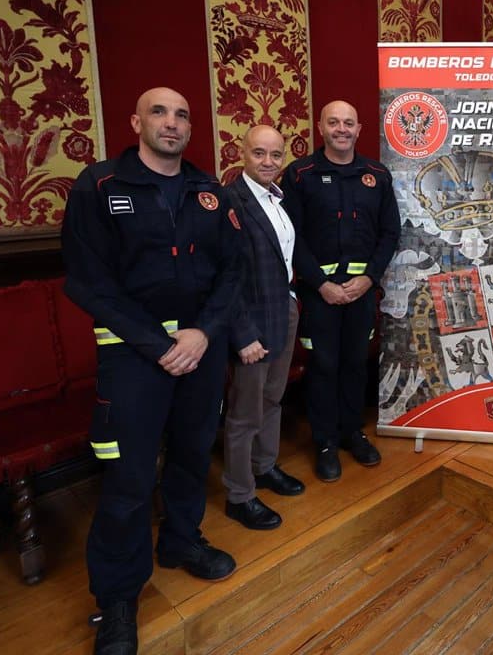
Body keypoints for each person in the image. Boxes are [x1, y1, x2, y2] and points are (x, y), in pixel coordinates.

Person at [62, 87, 241, 655]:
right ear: (135, 120)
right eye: (160, 112)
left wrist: (202, 332)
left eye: (182, 114)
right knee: (130, 479)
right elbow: (86, 281)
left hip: (200, 348)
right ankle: (117, 600)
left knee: (191, 455)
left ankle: (182, 542)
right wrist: (157, 342)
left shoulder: (208, 190)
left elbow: (232, 272)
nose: (172, 122)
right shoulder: (100, 186)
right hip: (134, 355)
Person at [283, 100, 400, 482]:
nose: (341, 129)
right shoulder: (299, 175)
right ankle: (324, 442)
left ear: (359, 129)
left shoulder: (377, 175)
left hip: (362, 292)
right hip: (320, 295)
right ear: (321, 127)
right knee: (324, 366)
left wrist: (370, 278)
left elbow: (389, 234)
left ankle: (352, 432)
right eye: (333, 122)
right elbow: (291, 238)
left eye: (348, 123)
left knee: (355, 364)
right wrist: (320, 284)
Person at [222, 124, 305, 531]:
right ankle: (240, 495)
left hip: (283, 310)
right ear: (242, 153)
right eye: (259, 153)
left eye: (275, 154)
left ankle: (264, 466)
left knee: (273, 400)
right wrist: (242, 335)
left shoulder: (278, 198)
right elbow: (223, 277)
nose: (268, 162)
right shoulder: (230, 201)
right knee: (244, 413)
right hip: (251, 325)